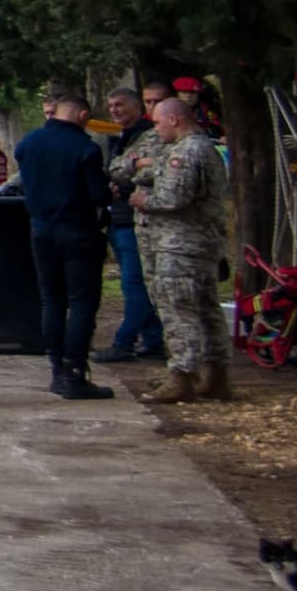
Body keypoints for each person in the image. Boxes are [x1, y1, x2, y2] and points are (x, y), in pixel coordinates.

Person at [113, 88, 235, 403]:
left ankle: (183, 374)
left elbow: (173, 197)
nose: (155, 130)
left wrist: (144, 199)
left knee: (178, 309)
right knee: (207, 308)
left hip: (179, 244)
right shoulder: (202, 148)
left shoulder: (186, 152)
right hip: (202, 242)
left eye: (158, 124)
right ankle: (215, 372)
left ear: (174, 119)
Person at [13, 87, 113, 398]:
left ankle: (56, 367)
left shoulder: (28, 143)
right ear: (82, 115)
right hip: (79, 230)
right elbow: (97, 195)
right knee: (82, 301)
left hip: (41, 229)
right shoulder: (86, 148)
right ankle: (75, 371)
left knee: (52, 299)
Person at [100, 81, 168, 360]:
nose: (115, 111)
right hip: (119, 215)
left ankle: (124, 340)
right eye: (111, 106)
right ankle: (152, 339)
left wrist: (124, 178)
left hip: (135, 219)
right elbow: (117, 169)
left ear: (137, 107)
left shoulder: (148, 136)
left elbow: (141, 170)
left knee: (134, 282)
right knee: (136, 280)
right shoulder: (121, 137)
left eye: (120, 105)